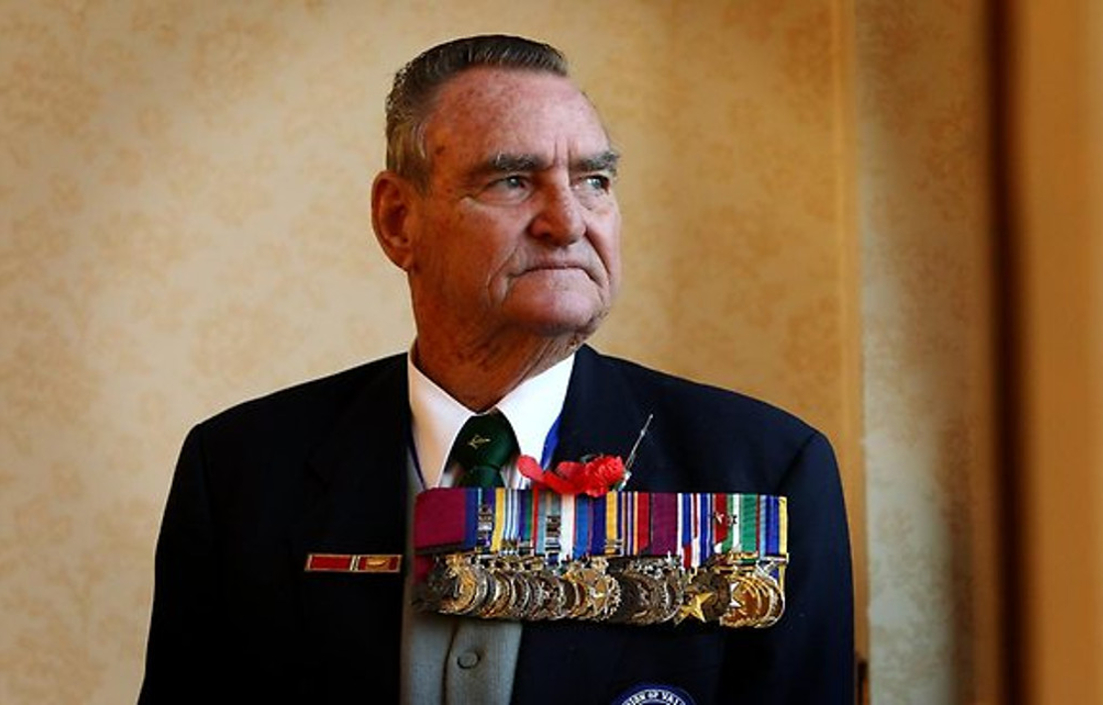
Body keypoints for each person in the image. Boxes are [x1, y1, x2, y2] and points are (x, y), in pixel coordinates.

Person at [139, 35, 853, 704]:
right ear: (397, 221)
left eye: (594, 179)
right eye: (514, 180)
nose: (569, 221)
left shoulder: (764, 469)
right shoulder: (237, 470)